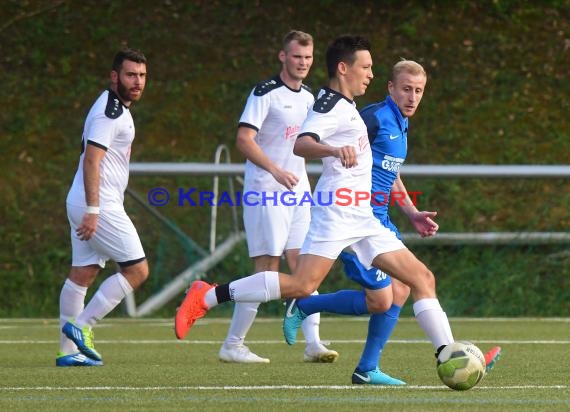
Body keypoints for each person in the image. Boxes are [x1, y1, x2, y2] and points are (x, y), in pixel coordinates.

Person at [174, 35, 490, 382]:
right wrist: (332, 151)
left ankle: (448, 353)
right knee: (300, 285)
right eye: (365, 67)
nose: (370, 74)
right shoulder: (331, 105)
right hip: (338, 213)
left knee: (420, 278)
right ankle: (208, 295)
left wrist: (408, 210)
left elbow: (378, 165)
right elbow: (302, 144)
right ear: (344, 68)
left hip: (364, 218)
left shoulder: (346, 106)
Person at [279, 59, 501, 385]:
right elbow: (337, 154)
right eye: (406, 89)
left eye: (419, 91)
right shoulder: (372, 118)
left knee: (394, 292)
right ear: (391, 89)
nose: (412, 97)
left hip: (378, 222)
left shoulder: (399, 123)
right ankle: (309, 307)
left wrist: (410, 212)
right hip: (354, 222)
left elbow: (388, 169)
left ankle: (365, 365)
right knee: (395, 292)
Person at [218, 30, 338, 364]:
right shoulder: (265, 93)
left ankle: (313, 343)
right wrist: (274, 169)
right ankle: (233, 344)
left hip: (299, 194)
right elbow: (244, 139)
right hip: (266, 192)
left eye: (308, 57)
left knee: (306, 267)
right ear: (283, 56)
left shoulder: (311, 97)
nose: (303, 63)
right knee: (267, 267)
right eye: (297, 56)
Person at [56, 48, 149, 367]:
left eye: (142, 76)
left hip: (84, 200)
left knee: (83, 273)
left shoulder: (117, 108)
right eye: (130, 75)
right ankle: (82, 326)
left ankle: (68, 352)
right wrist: (94, 210)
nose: (137, 82)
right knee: (137, 270)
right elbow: (92, 160)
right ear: (114, 76)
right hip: (98, 205)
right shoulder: (109, 113)